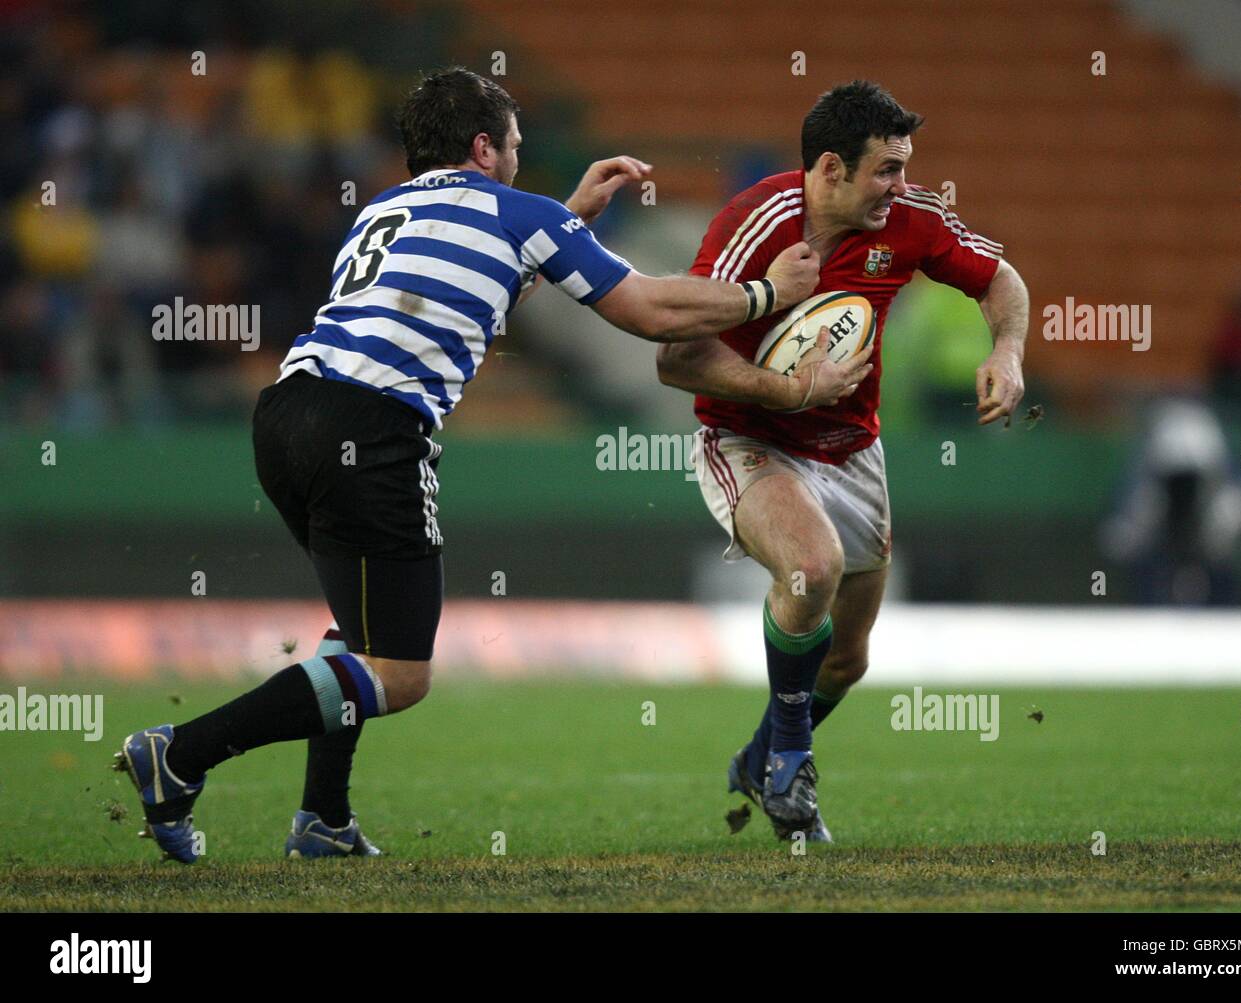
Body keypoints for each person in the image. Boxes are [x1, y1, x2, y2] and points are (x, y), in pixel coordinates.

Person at [114, 67, 819, 862]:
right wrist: (765, 293)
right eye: (514, 144)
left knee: (361, 626)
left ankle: (324, 819)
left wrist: (568, 222)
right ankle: (181, 754)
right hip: (373, 426)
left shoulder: (383, 209)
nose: (519, 158)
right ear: (484, 148)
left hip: (287, 414)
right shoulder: (517, 212)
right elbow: (651, 311)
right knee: (401, 673)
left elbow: (471, 300)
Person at [657, 80, 1028, 841]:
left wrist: (1009, 350)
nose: (902, 186)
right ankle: (791, 767)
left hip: (853, 450)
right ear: (831, 168)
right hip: (749, 441)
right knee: (811, 568)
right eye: (886, 169)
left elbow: (1000, 280)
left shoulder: (911, 220)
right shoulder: (753, 224)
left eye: (904, 168)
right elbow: (675, 357)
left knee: (847, 661)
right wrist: (786, 390)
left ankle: (761, 753)